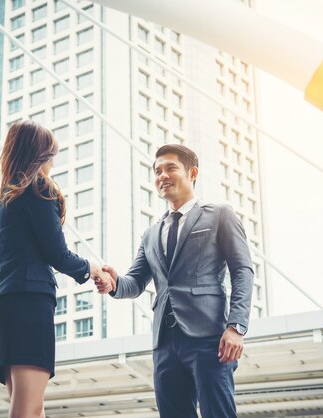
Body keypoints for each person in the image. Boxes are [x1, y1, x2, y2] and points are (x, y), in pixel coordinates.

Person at [97, 144, 253, 418]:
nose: (162, 176)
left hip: (209, 338)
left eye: (170, 168)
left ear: (192, 172)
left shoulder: (219, 215)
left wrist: (236, 327)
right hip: (164, 342)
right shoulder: (151, 234)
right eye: (157, 171)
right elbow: (136, 281)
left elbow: (242, 270)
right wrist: (114, 283)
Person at [0, 120, 115, 418]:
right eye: (52, 155)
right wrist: (92, 267)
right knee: (27, 410)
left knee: (32, 405)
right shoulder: (39, 189)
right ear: (40, 155)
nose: (53, 162)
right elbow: (57, 254)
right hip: (28, 303)